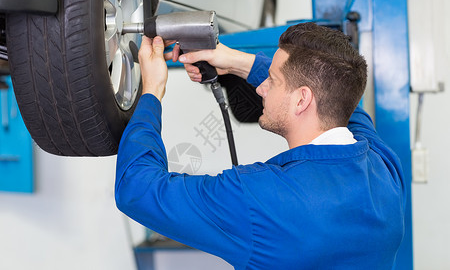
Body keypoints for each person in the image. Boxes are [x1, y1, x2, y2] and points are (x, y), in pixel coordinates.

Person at [115, 22, 405, 269]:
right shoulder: (385, 170)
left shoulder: (261, 198)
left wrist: (151, 91)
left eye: (273, 81)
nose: (261, 87)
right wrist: (234, 61)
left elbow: (137, 189)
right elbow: (345, 105)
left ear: (302, 100)